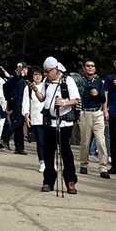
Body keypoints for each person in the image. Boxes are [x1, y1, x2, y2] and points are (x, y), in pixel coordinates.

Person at [36, 57, 80, 193]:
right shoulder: (46, 81)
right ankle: (48, 181)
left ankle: (70, 181)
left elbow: (76, 100)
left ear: (56, 69)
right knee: (48, 153)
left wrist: (64, 103)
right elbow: (42, 98)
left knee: (66, 153)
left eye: (49, 71)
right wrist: (35, 90)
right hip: (49, 122)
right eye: (45, 71)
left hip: (64, 123)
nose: (46, 74)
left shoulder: (68, 80)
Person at [77, 59, 110, 178]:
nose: (90, 67)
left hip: (97, 113)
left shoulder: (100, 81)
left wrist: (104, 110)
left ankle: (103, 167)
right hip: (85, 113)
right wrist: (90, 90)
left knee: (101, 141)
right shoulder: (80, 81)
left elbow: (103, 98)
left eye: (92, 66)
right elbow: (79, 95)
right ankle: (83, 164)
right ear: (84, 68)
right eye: (88, 66)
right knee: (85, 142)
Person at [22, 66, 46, 173]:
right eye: (35, 74)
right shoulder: (28, 88)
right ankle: (42, 162)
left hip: (47, 118)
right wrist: (26, 115)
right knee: (40, 141)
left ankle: (50, 161)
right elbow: (26, 102)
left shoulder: (46, 86)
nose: (37, 77)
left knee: (49, 142)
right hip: (36, 117)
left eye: (39, 74)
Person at [5, 63, 30, 155]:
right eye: (25, 69)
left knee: (19, 127)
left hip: (21, 105)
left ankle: (19, 148)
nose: (26, 71)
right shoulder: (17, 79)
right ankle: (5, 138)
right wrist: (19, 72)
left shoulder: (23, 80)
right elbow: (15, 79)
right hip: (17, 105)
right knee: (17, 124)